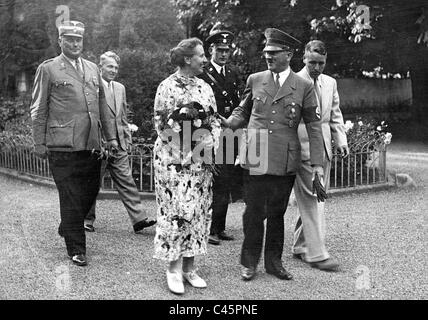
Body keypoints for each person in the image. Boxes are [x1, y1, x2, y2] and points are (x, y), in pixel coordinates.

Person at [220, 28, 325, 281]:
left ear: (288, 54)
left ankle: (274, 263)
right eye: (266, 52)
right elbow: (242, 110)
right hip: (255, 154)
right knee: (253, 212)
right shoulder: (255, 79)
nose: (268, 56)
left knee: (277, 213)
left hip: (284, 157)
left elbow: (313, 126)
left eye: (274, 53)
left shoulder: (303, 86)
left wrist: (318, 165)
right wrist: (230, 122)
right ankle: (249, 263)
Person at [30, 21, 109, 267]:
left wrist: (111, 137)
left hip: (91, 143)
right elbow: (38, 108)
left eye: (79, 40)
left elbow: (103, 107)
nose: (75, 44)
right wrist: (39, 142)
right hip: (61, 144)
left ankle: (67, 225)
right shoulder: (49, 69)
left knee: (89, 191)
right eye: (70, 39)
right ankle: (77, 248)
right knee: (71, 196)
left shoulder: (93, 68)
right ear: (60, 41)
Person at [153, 37, 221, 294]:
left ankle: (189, 268)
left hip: (200, 162)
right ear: (187, 59)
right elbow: (161, 125)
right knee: (176, 212)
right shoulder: (167, 87)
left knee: (198, 213)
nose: (205, 60)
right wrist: (186, 147)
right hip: (173, 163)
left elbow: (213, 121)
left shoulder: (205, 87)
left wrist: (207, 143)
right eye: (201, 55)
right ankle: (172, 269)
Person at [83, 51, 156, 233]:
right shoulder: (92, 86)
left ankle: (139, 219)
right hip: (99, 145)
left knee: (127, 181)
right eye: (109, 66)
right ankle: (86, 219)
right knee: (92, 183)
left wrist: (127, 140)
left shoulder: (120, 88)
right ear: (100, 67)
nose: (113, 70)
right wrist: (101, 141)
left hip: (120, 146)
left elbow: (122, 115)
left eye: (116, 67)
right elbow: (90, 117)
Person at [292, 40, 348, 271]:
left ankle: (299, 245)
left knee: (314, 196)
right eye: (312, 62)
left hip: (324, 147)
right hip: (303, 148)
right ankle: (316, 253)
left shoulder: (330, 82)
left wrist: (341, 140)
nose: (316, 67)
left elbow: (335, 114)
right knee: (313, 198)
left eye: (321, 63)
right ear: (304, 58)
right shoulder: (293, 81)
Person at [198, 25, 243, 245]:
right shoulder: (203, 73)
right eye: (219, 50)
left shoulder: (233, 73)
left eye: (227, 50)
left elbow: (240, 103)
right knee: (209, 180)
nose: (224, 54)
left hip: (229, 133)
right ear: (210, 50)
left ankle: (219, 227)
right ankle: (208, 228)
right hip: (208, 135)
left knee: (225, 180)